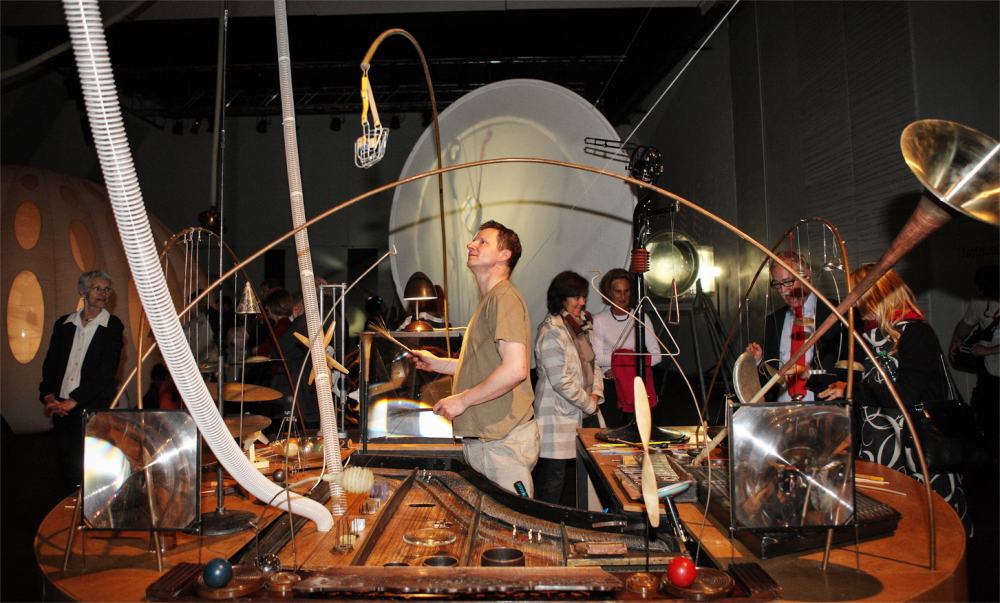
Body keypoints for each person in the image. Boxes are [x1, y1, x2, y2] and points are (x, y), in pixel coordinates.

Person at [819, 265, 969, 529]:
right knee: (893, 525)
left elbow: (906, 394)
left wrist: (851, 389)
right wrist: (810, 376)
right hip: (881, 446)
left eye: (857, 294)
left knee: (929, 526)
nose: (852, 301)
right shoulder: (871, 335)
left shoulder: (916, 333)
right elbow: (857, 383)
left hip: (917, 449)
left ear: (877, 294)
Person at [412, 220, 539, 496]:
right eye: (474, 240)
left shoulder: (504, 297)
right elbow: (489, 367)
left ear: (504, 255)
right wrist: (439, 364)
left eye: (483, 241)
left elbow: (515, 369)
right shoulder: (491, 300)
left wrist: (461, 400)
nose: (471, 244)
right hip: (491, 442)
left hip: (501, 442)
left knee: (510, 521)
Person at [39, 270, 125, 493]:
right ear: (83, 291)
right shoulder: (63, 324)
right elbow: (51, 363)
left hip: (91, 406)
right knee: (64, 464)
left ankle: (87, 508)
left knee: (87, 466)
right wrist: (49, 394)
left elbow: (106, 373)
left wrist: (74, 400)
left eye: (107, 289)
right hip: (61, 406)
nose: (103, 293)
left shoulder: (113, 326)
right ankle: (69, 508)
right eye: (98, 288)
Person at [532, 271, 602, 506]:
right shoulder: (551, 331)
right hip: (558, 416)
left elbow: (594, 363)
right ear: (561, 298)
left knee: (589, 477)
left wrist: (597, 394)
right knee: (554, 478)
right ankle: (545, 523)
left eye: (583, 296)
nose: (582, 301)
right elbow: (560, 381)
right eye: (576, 296)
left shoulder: (580, 326)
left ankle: (583, 520)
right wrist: (589, 403)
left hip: (586, 410)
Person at [746, 251, 844, 401]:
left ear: (806, 275)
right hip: (782, 407)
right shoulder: (773, 321)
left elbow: (847, 371)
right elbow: (771, 379)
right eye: (777, 284)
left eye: (787, 282)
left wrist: (808, 373)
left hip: (824, 406)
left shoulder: (836, 313)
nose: (783, 291)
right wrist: (759, 361)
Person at [591, 268, 661, 428]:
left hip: (636, 383)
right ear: (609, 293)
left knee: (641, 432)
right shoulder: (599, 320)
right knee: (611, 433)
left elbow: (657, 356)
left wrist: (622, 369)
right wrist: (629, 363)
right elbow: (598, 358)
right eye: (618, 291)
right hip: (610, 385)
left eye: (626, 291)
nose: (623, 297)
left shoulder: (641, 317)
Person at [948, 264, 999, 461]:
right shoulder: (979, 302)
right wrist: (956, 340)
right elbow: (966, 324)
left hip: (989, 357)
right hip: (990, 370)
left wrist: (988, 350)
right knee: (985, 411)